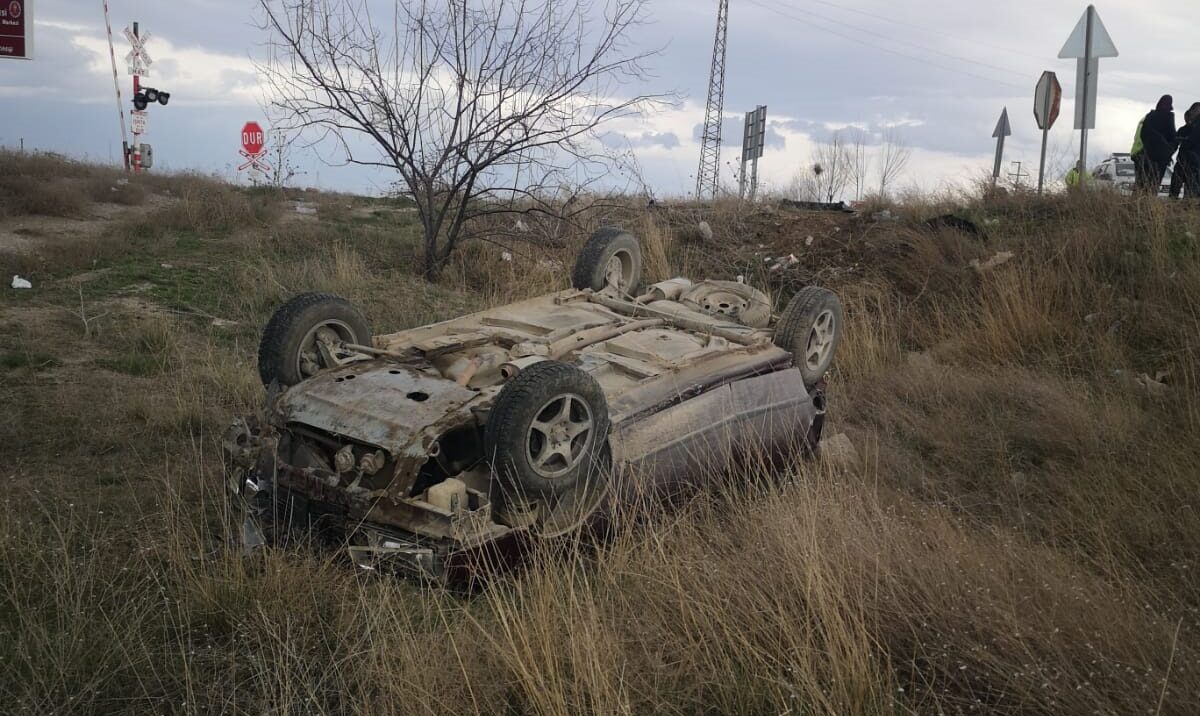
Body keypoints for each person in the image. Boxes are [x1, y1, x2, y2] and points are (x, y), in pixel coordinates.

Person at [1132, 95, 1179, 194]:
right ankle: (1148, 207)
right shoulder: (1168, 117)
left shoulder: (1149, 116)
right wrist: (1168, 153)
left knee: (1141, 186)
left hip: (1143, 156)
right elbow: (1173, 139)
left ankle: (1138, 206)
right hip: (1156, 159)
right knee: (1152, 186)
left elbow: (1143, 135)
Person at [1170, 102, 1200, 198]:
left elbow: (1192, 141)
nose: (1196, 113)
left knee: (1190, 193)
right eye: (1195, 111)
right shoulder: (1183, 129)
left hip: (1194, 164)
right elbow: (1174, 144)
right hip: (1182, 162)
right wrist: (1167, 156)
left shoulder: (1197, 128)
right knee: (1174, 189)